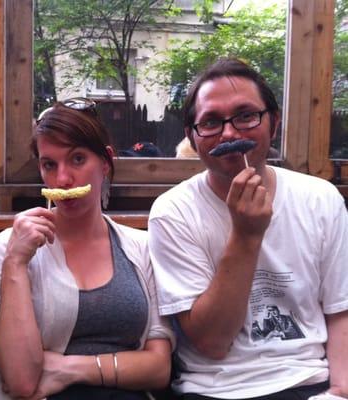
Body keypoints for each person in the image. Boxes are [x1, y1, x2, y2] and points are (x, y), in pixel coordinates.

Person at [148, 58, 348, 399]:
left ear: (274, 122)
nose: (229, 133)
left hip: (309, 381)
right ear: (192, 138)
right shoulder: (172, 212)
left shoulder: (320, 198)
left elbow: (339, 310)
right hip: (215, 389)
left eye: (245, 115)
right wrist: (245, 234)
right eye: (210, 122)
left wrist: (341, 391)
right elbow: (212, 342)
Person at [0, 98, 174, 400]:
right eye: (49, 165)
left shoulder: (142, 247)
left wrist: (69, 368)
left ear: (106, 163)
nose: (63, 179)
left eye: (78, 159)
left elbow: (159, 368)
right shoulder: (6, 249)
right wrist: (16, 264)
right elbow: (20, 381)